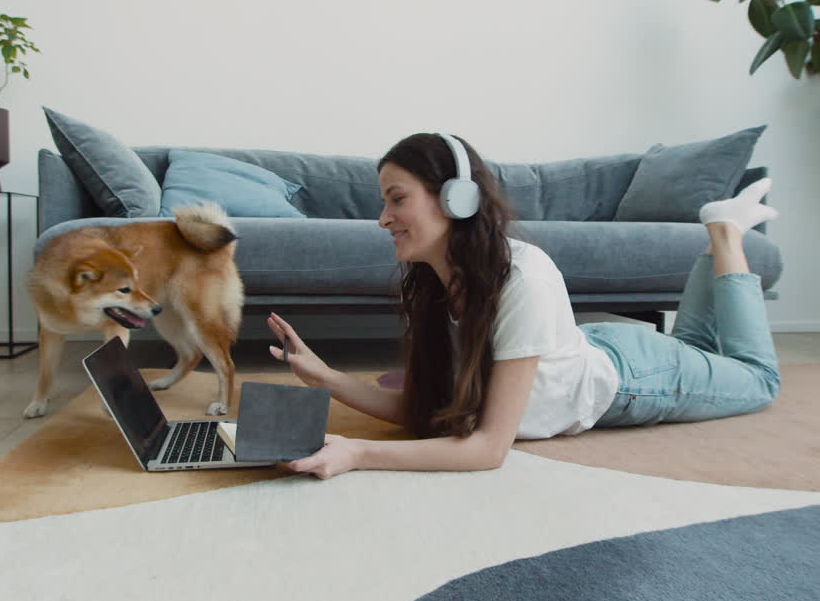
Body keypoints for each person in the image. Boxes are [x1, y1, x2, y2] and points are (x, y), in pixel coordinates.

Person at [266, 133, 780, 480]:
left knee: (757, 380)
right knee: (693, 346)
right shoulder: (434, 282)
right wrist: (326, 376)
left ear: (456, 199)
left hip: (634, 378)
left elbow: (488, 449)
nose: (383, 219)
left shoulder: (522, 276)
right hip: (573, 352)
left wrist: (360, 453)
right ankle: (716, 241)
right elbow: (427, 412)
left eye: (396, 200)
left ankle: (725, 235)